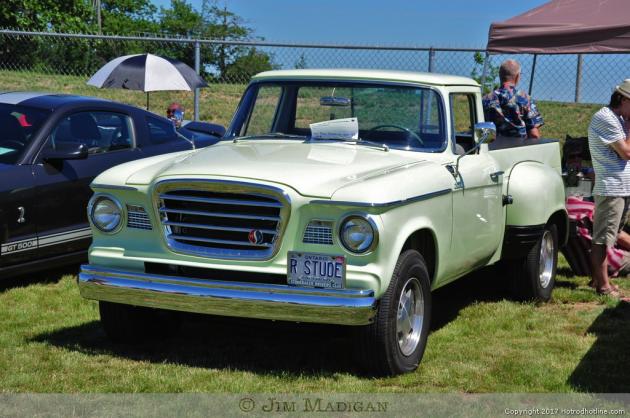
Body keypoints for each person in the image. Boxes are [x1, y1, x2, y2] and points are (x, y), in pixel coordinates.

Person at [588, 79, 630, 298]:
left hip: (621, 188)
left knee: (610, 237)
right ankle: (603, 286)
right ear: (622, 99)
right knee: (602, 239)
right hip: (611, 188)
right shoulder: (605, 118)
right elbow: (627, 152)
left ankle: (598, 278)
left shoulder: (620, 119)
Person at [482, 59, 544, 139]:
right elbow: (534, 135)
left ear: (499, 75)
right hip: (519, 146)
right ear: (518, 76)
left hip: (492, 145)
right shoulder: (525, 99)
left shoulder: (486, 99)